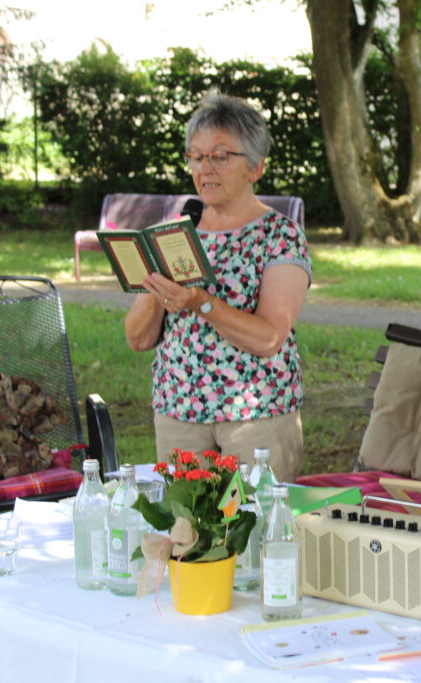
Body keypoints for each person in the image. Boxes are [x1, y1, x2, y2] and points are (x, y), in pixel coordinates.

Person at [124, 93, 312, 483]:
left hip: (256, 418)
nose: (204, 168)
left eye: (220, 156)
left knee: (255, 534)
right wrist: (160, 291)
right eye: (196, 156)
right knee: (186, 537)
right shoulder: (174, 233)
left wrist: (200, 302)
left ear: (255, 168)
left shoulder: (280, 235)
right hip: (178, 415)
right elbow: (138, 338)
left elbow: (269, 338)